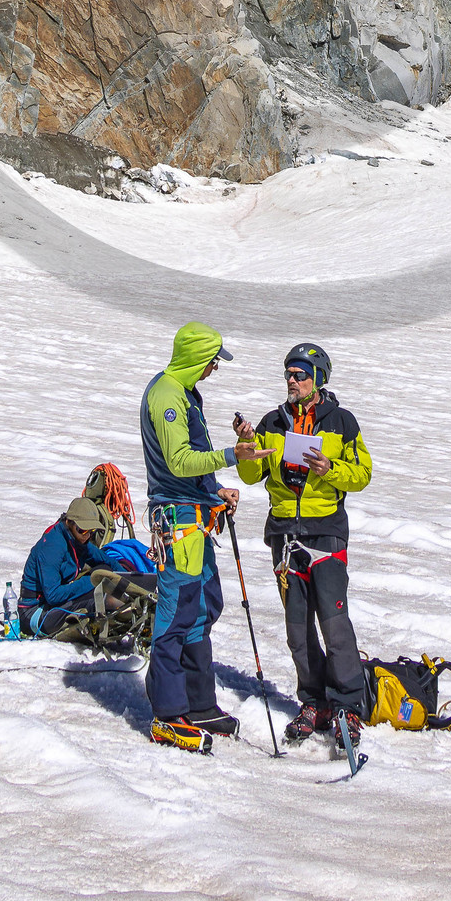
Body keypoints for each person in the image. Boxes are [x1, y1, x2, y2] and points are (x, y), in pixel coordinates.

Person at [235, 341, 373, 748]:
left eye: (300, 375)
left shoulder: (341, 421)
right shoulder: (272, 422)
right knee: (298, 628)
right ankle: (313, 701)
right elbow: (251, 475)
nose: (292, 381)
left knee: (334, 621)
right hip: (284, 534)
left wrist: (331, 469)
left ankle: (347, 702)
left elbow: (362, 473)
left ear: (318, 379)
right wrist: (246, 451)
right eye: (288, 374)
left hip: (326, 531)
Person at [140, 320, 255, 751]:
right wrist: (232, 454)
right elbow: (178, 462)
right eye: (212, 361)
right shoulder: (167, 394)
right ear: (195, 357)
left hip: (196, 516)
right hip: (178, 521)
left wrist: (214, 491)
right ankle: (168, 713)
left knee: (204, 605)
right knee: (176, 612)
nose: (215, 369)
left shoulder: (186, 393)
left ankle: (198, 702)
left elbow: (194, 469)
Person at [17, 496, 152, 642]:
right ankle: (122, 612)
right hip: (36, 614)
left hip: (52, 605)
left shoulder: (78, 540)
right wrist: (94, 581)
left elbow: (108, 563)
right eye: (82, 530)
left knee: (104, 568)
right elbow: (53, 595)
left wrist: (127, 582)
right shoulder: (52, 547)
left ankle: (131, 604)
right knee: (97, 600)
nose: (87, 535)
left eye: (91, 531)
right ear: (69, 522)